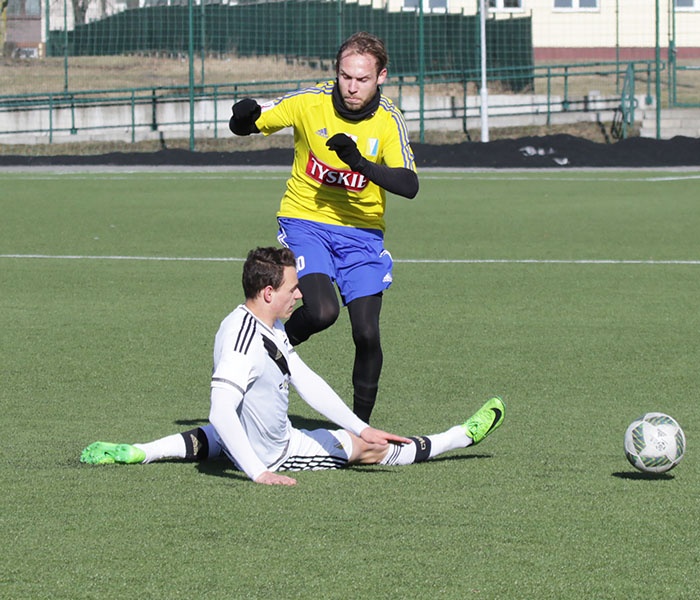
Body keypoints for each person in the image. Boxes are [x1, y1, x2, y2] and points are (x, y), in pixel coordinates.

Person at [80, 247, 504, 486]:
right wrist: (260, 471)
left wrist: (358, 422)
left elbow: (304, 379)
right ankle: (457, 438)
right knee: (372, 451)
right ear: (268, 292)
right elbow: (220, 411)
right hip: (277, 451)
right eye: (293, 287)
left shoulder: (254, 322)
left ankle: (140, 452)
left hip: (243, 435)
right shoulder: (244, 344)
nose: (300, 295)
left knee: (212, 440)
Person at [228, 32, 418, 422]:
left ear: (381, 76)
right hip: (307, 221)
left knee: (367, 334)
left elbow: (409, 185)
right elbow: (248, 123)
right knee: (322, 311)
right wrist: (242, 116)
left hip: (362, 235)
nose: (351, 87)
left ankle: (360, 431)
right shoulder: (309, 102)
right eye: (344, 76)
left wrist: (360, 163)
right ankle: (268, 353)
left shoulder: (388, 121)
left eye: (362, 79)